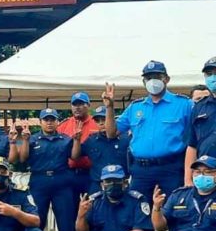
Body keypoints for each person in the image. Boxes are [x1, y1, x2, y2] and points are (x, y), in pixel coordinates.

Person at [104, 60, 193, 204]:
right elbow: (111, 133)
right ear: (144, 81)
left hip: (172, 168)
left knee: (176, 212)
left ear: (167, 79)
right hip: (141, 171)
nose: (153, 81)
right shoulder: (135, 107)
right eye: (148, 77)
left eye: (157, 76)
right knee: (140, 213)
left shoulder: (184, 104)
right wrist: (109, 107)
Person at [17, 108, 78, 231]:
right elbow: (22, 159)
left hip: (62, 180)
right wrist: (24, 140)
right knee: (36, 220)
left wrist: (77, 140)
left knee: (66, 221)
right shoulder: (32, 139)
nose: (49, 122)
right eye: (46, 119)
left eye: (52, 119)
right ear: (40, 121)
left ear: (58, 121)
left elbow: (75, 157)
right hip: (39, 180)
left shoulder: (65, 139)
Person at [72, 106, 130, 195]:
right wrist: (77, 140)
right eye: (97, 121)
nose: (101, 123)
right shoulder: (91, 140)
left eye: (104, 119)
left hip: (120, 184)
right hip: (98, 185)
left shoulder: (125, 138)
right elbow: (75, 157)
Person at [58, 92, 100, 211]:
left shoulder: (96, 123)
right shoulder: (64, 125)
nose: (77, 107)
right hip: (69, 174)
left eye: (81, 104)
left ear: (88, 105)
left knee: (93, 209)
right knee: (70, 211)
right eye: (74, 104)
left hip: (91, 174)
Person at [185, 57, 216, 186]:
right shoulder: (199, 107)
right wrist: (188, 180)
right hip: (206, 175)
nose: (213, 77)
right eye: (209, 74)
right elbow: (191, 146)